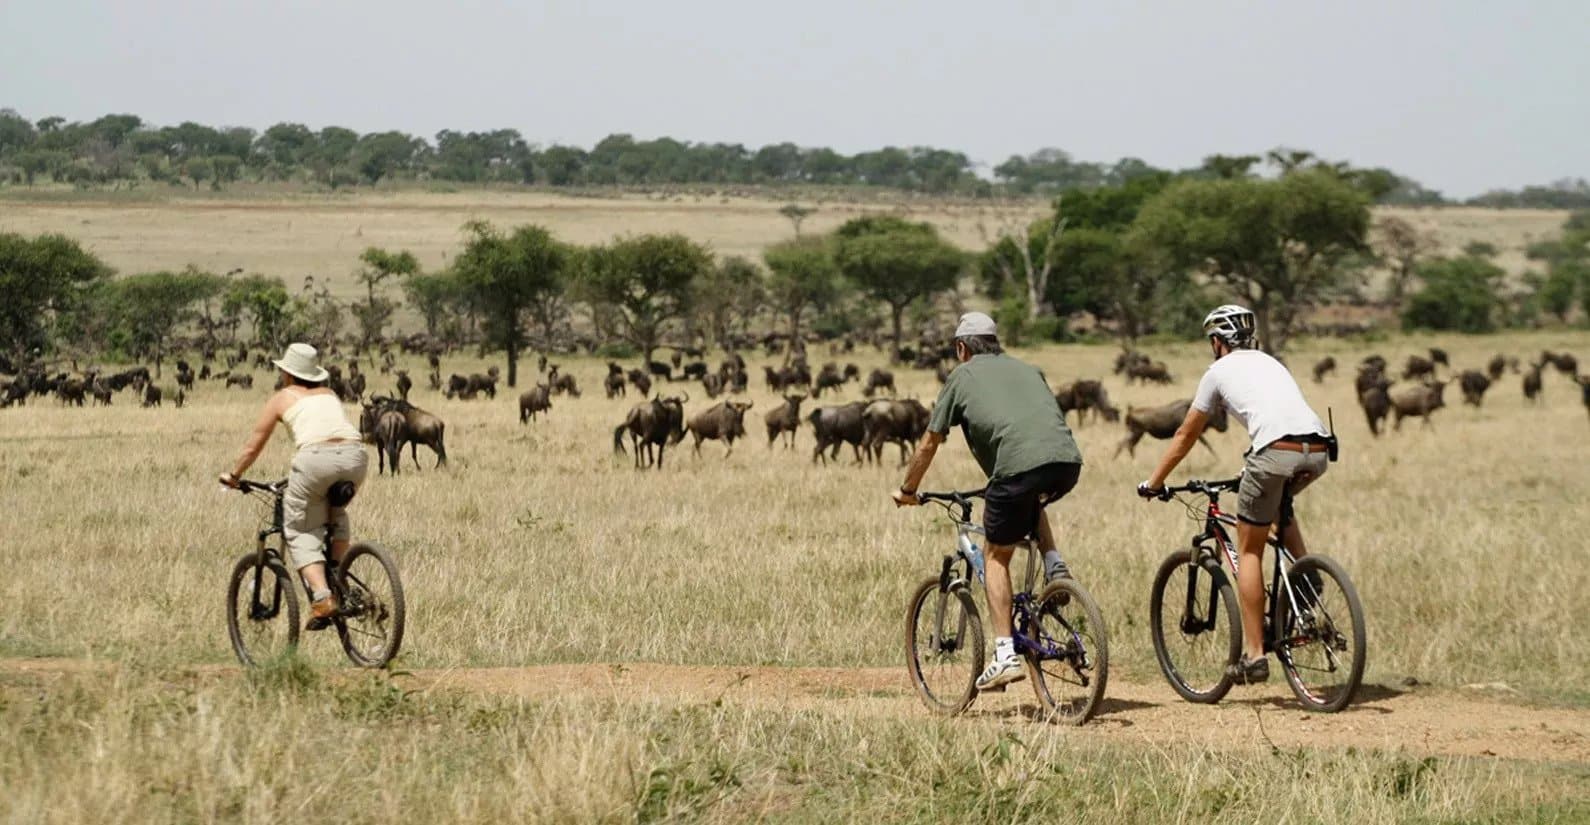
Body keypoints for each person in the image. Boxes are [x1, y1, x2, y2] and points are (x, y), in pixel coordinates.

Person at [1137, 305, 1331, 684]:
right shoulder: (1272, 362)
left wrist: (1154, 482)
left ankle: (1255, 655)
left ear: (1216, 341)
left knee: (1249, 550)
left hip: (1274, 452)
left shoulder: (1217, 372)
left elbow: (1186, 434)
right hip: (1318, 449)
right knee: (1276, 506)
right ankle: (1307, 575)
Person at [893, 312, 1085, 691]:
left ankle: (1004, 656)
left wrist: (908, 490)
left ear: (962, 348)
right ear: (995, 343)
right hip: (1066, 463)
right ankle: (1055, 564)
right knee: (1033, 501)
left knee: (996, 555)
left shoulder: (961, 375)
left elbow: (930, 442)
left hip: (1015, 470)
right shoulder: (1030, 369)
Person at [219, 343, 369, 629]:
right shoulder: (329, 393)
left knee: (299, 528)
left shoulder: (281, 398)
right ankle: (338, 578)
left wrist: (234, 475)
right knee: (334, 512)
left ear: (288, 374)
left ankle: (323, 597)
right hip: (356, 457)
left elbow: (254, 445)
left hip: (314, 460)